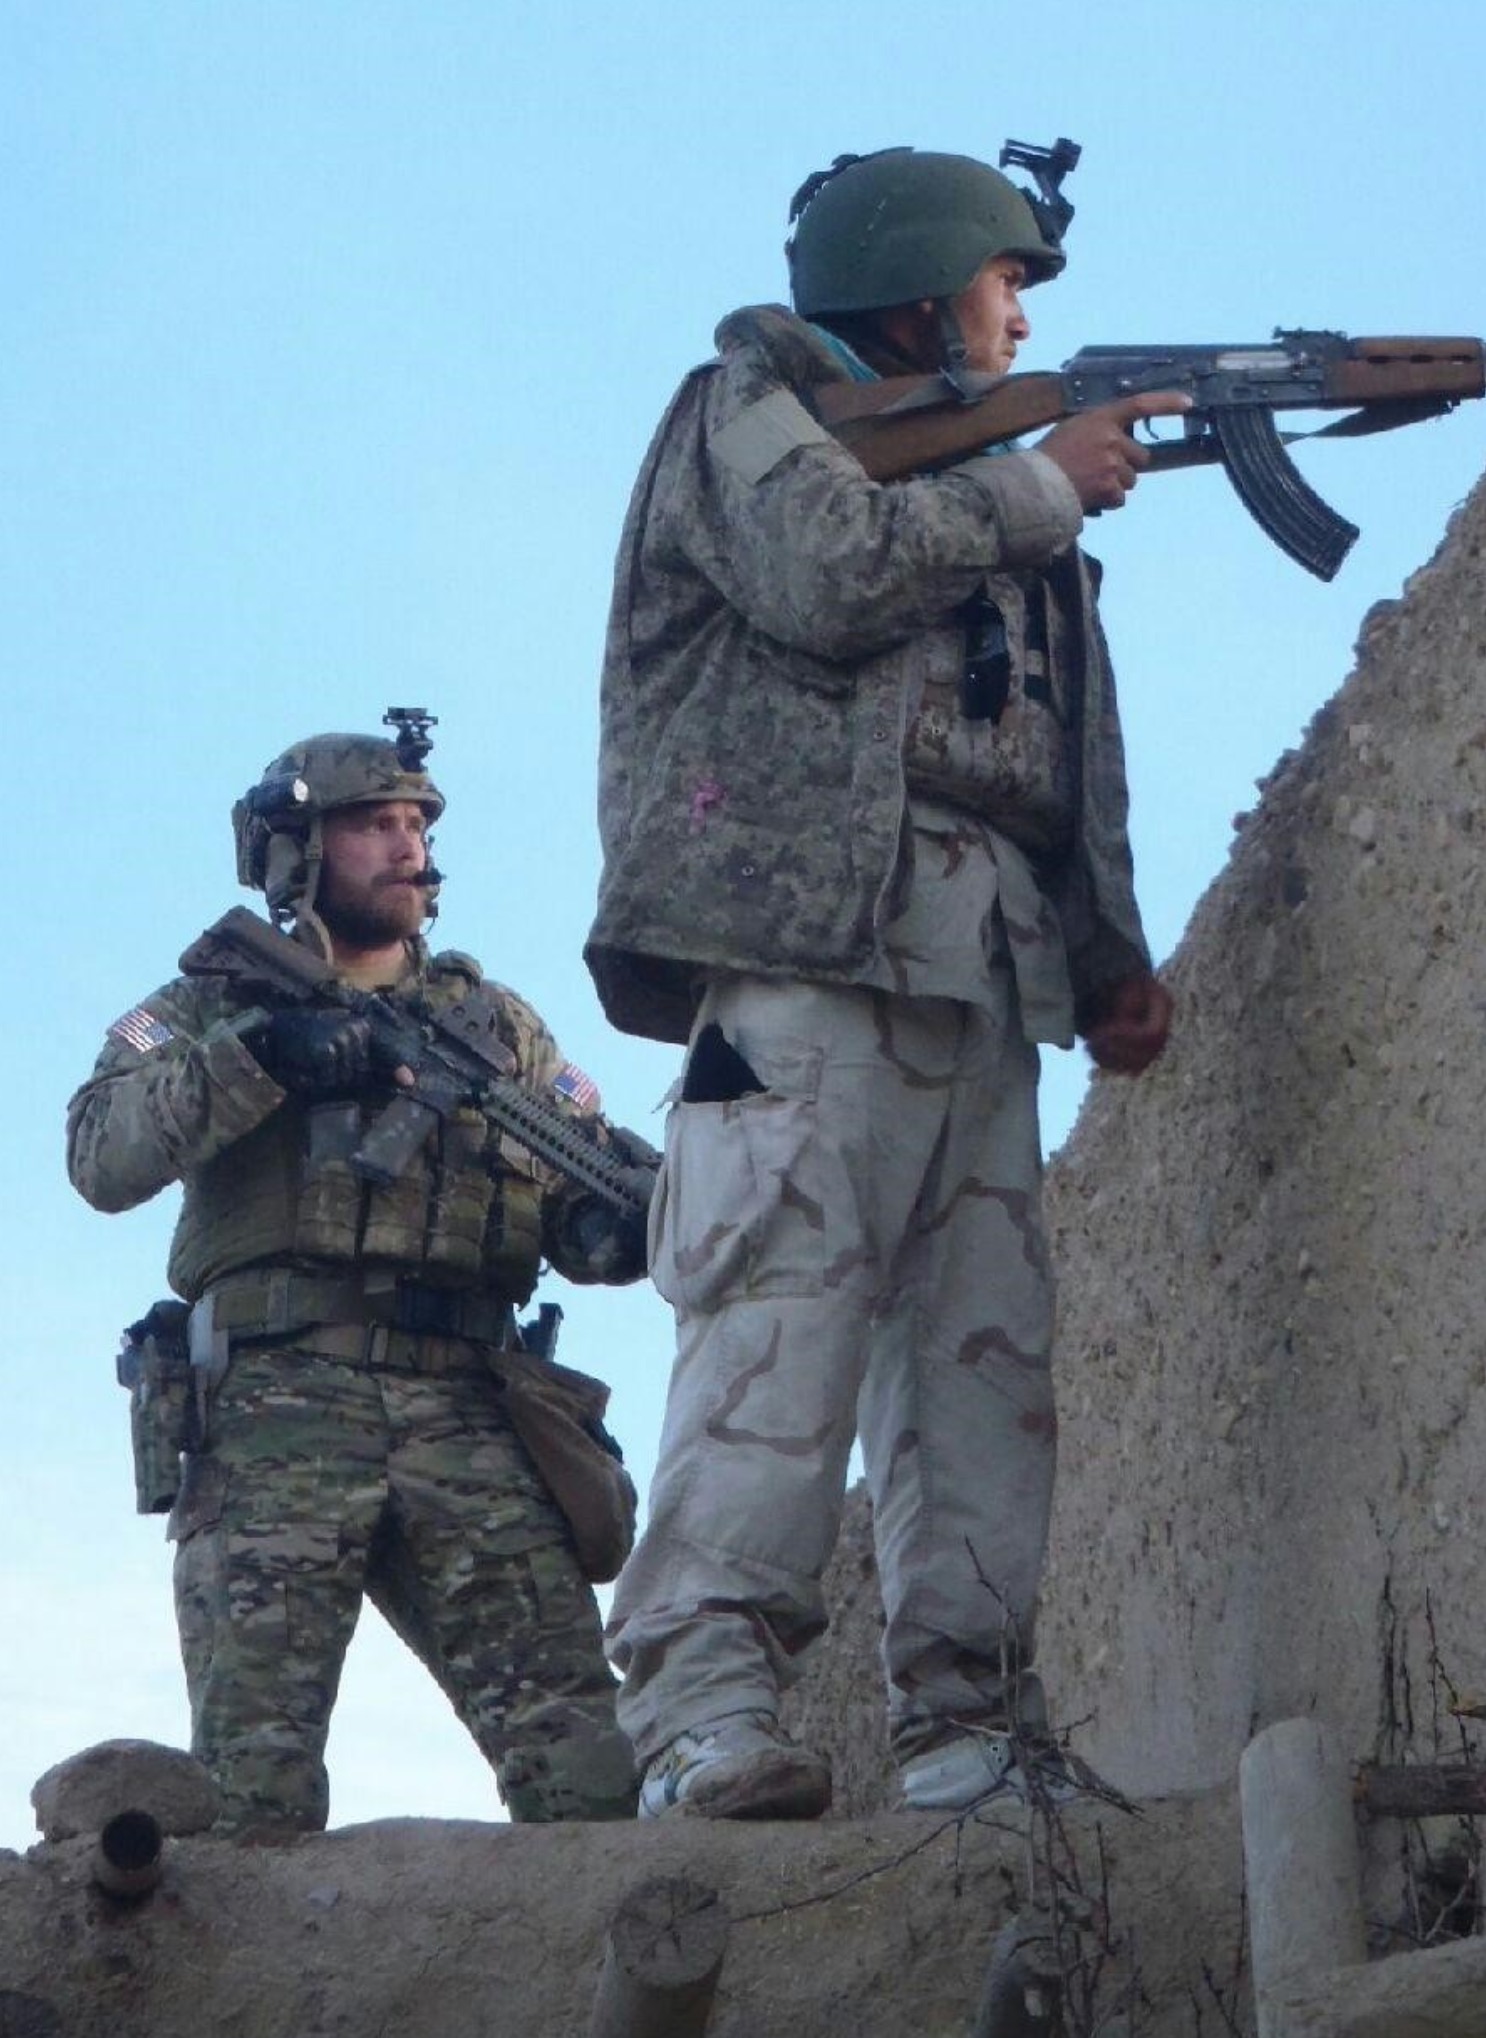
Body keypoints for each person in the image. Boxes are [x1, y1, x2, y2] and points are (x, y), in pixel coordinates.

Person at [585, 146, 1177, 1820]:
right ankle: (702, 1715)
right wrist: (1039, 485)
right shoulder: (748, 410)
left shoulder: (996, 475)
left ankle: (969, 1730)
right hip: (800, 958)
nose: (1019, 309)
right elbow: (821, 571)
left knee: (983, 1359)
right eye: (1005, 278)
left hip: (981, 960)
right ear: (922, 282)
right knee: (776, 1321)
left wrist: (1110, 950)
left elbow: (1061, 743)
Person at [68, 713, 647, 1837]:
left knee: (582, 1762)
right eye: (371, 824)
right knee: (252, 1787)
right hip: (279, 1403)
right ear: (296, 851)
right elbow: (99, 1151)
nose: (404, 846)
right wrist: (255, 1059)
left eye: (414, 823)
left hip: (473, 1405)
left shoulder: (500, 1028)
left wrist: (625, 1227)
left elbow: (578, 1192)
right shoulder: (203, 1004)